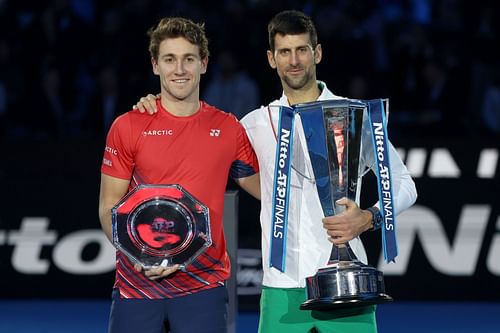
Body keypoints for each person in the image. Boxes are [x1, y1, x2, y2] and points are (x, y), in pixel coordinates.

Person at [134, 10, 417, 333]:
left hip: (347, 286)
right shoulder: (252, 125)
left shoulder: (352, 115)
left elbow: (405, 184)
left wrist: (369, 217)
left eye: (301, 50)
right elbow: (196, 146)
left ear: (317, 53)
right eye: (284, 52)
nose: (293, 61)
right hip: (280, 288)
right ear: (272, 59)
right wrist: (157, 104)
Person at [98, 17, 260, 333]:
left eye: (189, 59)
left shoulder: (228, 128)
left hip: (203, 286)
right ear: (155, 65)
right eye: (169, 59)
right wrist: (136, 257)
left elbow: (266, 189)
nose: (180, 69)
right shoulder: (128, 126)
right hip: (138, 286)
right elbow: (108, 206)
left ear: (204, 63)